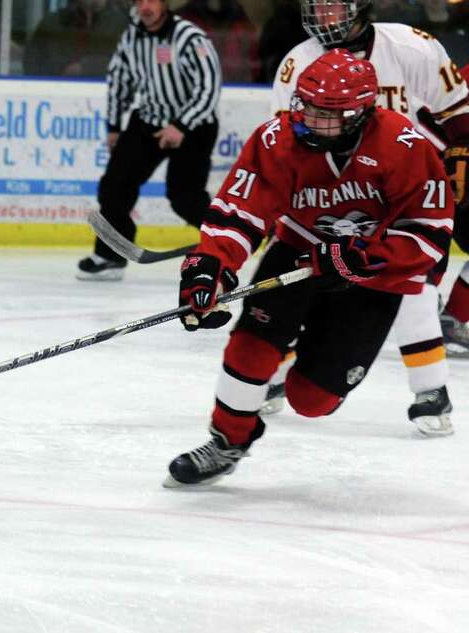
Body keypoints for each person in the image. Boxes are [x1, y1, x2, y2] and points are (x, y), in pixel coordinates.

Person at [167, 51, 454, 487]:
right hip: (298, 252)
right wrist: (211, 267)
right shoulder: (276, 140)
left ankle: (311, 355)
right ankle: (227, 441)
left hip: (372, 279)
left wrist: (365, 257)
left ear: (360, 114)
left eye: (326, 115)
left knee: (312, 400)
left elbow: (428, 233)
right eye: (306, 107)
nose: (308, 120)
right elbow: (239, 213)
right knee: (250, 345)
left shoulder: (405, 146)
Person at [264, 0, 469, 436]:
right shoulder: (297, 63)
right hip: (338, 191)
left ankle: (431, 390)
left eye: (334, 8)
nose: (324, 18)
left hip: (408, 191)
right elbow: (288, 143)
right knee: (297, 284)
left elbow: (457, 109)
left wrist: (458, 155)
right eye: (316, 8)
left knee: (409, 283)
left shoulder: (412, 47)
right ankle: (276, 374)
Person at [79, 0, 222, 281]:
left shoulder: (191, 37)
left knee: (184, 197)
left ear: (165, 4)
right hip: (149, 120)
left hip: (193, 126)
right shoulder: (132, 34)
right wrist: (114, 126)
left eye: (152, 0)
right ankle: (111, 255)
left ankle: (229, 241)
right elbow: (120, 79)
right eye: (140, 0)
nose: (146, 6)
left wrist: (180, 126)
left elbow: (209, 86)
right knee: (114, 187)